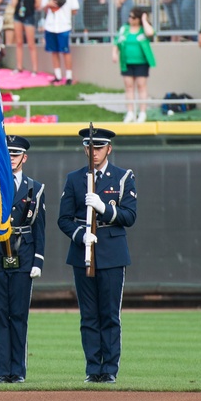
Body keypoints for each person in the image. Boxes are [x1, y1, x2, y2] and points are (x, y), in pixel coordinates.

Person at [57, 127, 137, 384]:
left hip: (112, 250)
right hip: (83, 250)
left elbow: (129, 216)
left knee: (110, 314)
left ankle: (110, 368)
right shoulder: (74, 178)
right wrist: (80, 234)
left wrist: (104, 209)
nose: (94, 152)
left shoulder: (123, 177)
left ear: (108, 150)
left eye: (99, 148)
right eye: (90, 147)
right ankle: (93, 368)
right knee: (89, 314)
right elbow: (64, 219)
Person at [0, 134, 45, 383]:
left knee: (19, 313)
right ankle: (3, 370)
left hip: (22, 252)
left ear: (24, 157)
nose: (11, 158)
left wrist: (38, 260)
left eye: (16, 154)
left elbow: (39, 227)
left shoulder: (35, 187)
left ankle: (18, 370)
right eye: (8, 154)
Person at [113, 8, 156, 123]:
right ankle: (130, 112)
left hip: (141, 63)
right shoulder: (124, 29)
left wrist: (144, 20)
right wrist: (114, 54)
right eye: (129, 17)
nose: (130, 19)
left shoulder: (143, 29)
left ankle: (142, 112)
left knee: (141, 86)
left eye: (133, 17)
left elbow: (150, 33)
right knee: (129, 86)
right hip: (127, 62)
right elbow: (117, 42)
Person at [40, 0, 80, 85]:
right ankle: (57, 75)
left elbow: (74, 9)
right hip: (51, 25)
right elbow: (43, 6)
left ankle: (68, 76)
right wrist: (49, 4)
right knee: (54, 51)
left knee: (65, 51)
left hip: (63, 25)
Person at [11, 0, 41, 74]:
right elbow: (14, 3)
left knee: (30, 43)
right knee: (19, 42)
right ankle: (19, 66)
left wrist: (31, 8)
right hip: (18, 15)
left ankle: (34, 68)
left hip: (28, 15)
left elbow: (38, 1)